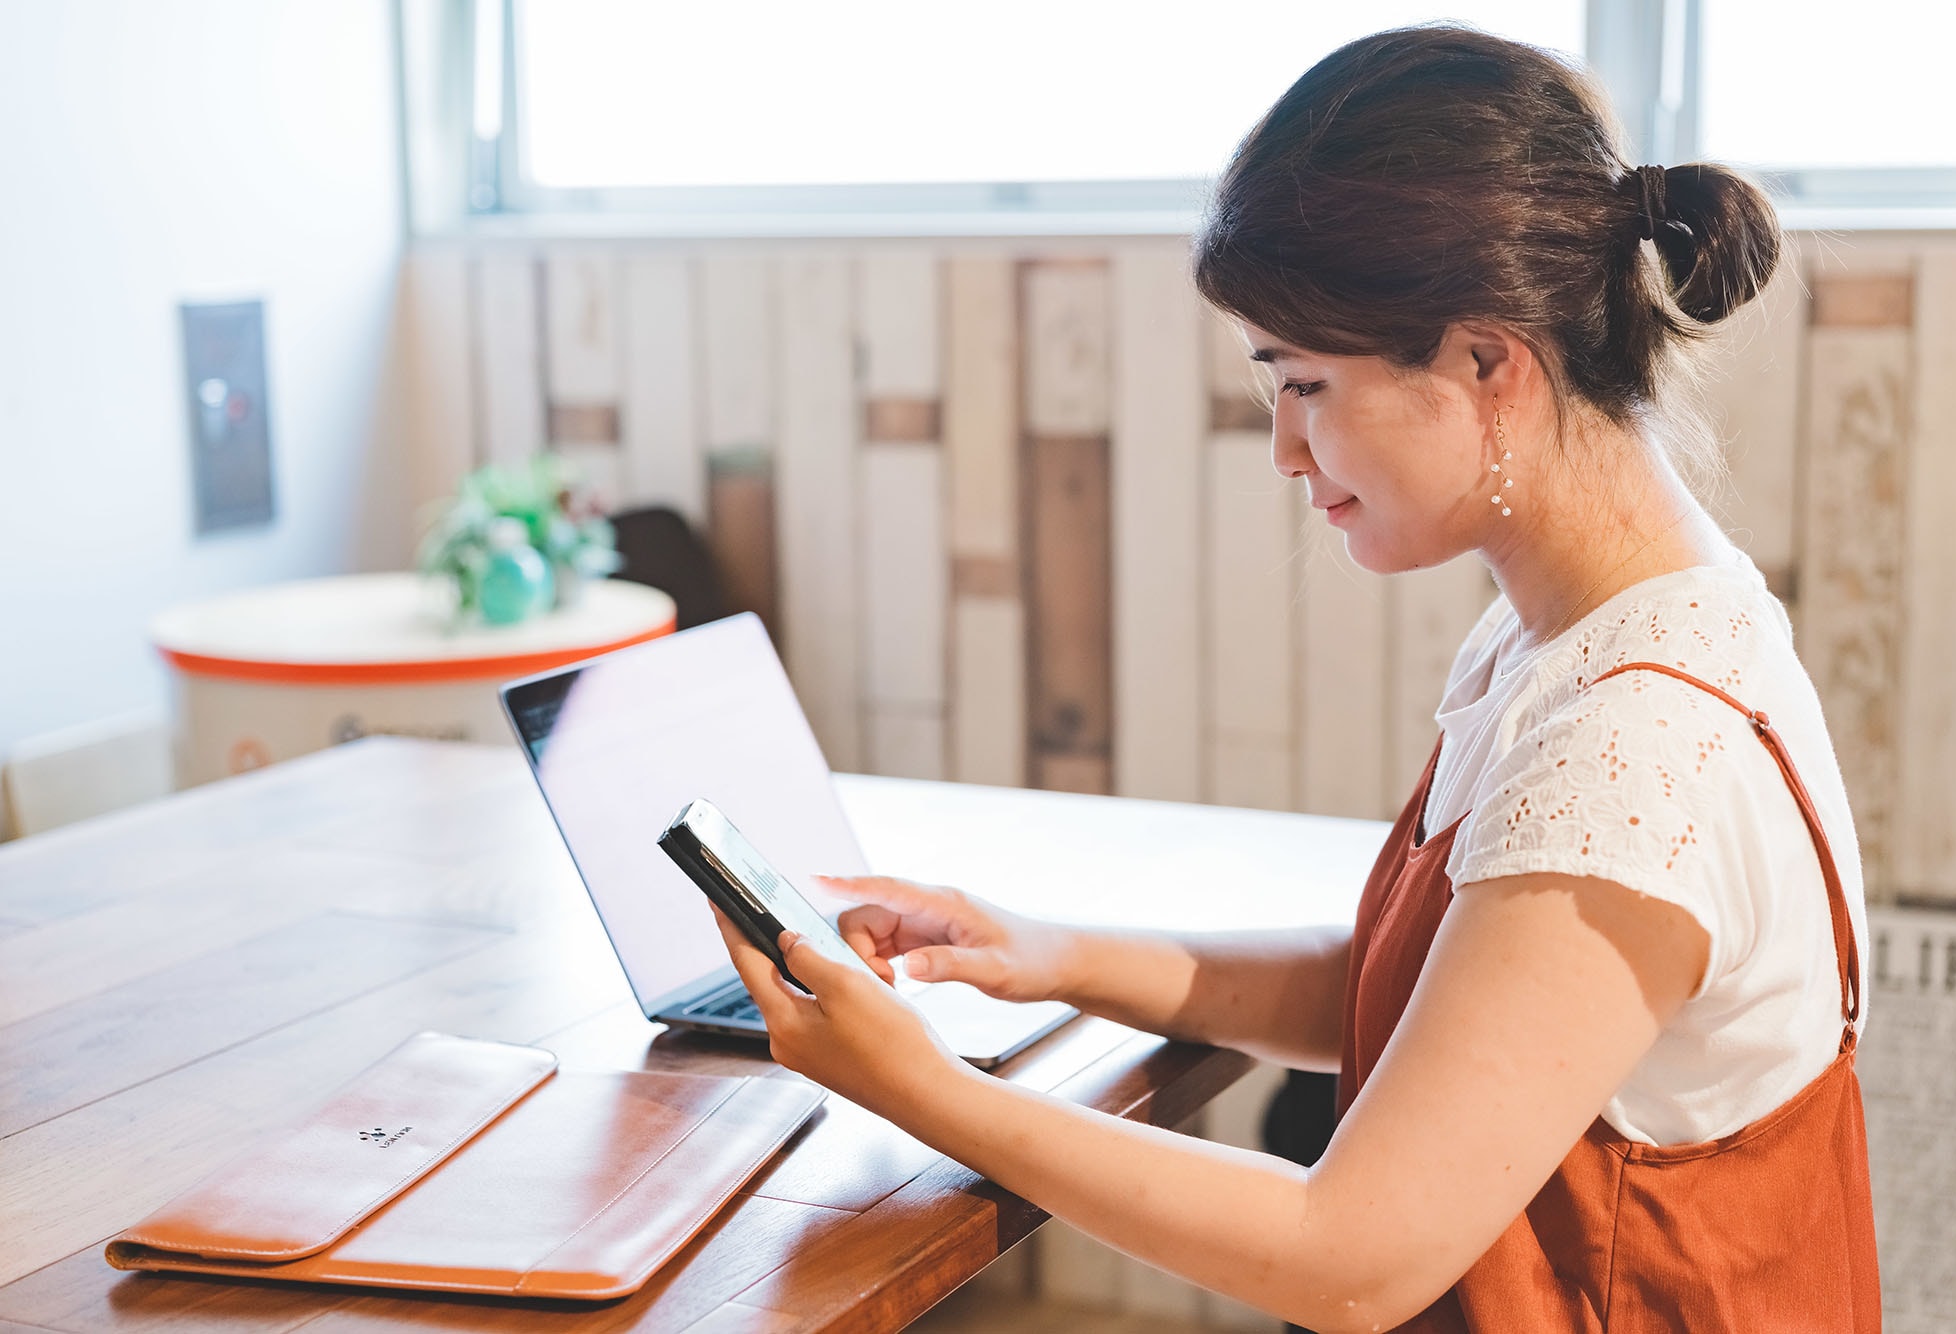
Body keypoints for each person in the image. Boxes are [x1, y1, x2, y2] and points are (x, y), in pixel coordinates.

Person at [710, 25, 1878, 1332]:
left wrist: (924, 1087)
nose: (1282, 445)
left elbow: (1350, 1257)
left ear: (1488, 363)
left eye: (1306, 382)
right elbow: (1429, 996)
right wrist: (1044, 953)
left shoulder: (1644, 747)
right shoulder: (1585, 632)